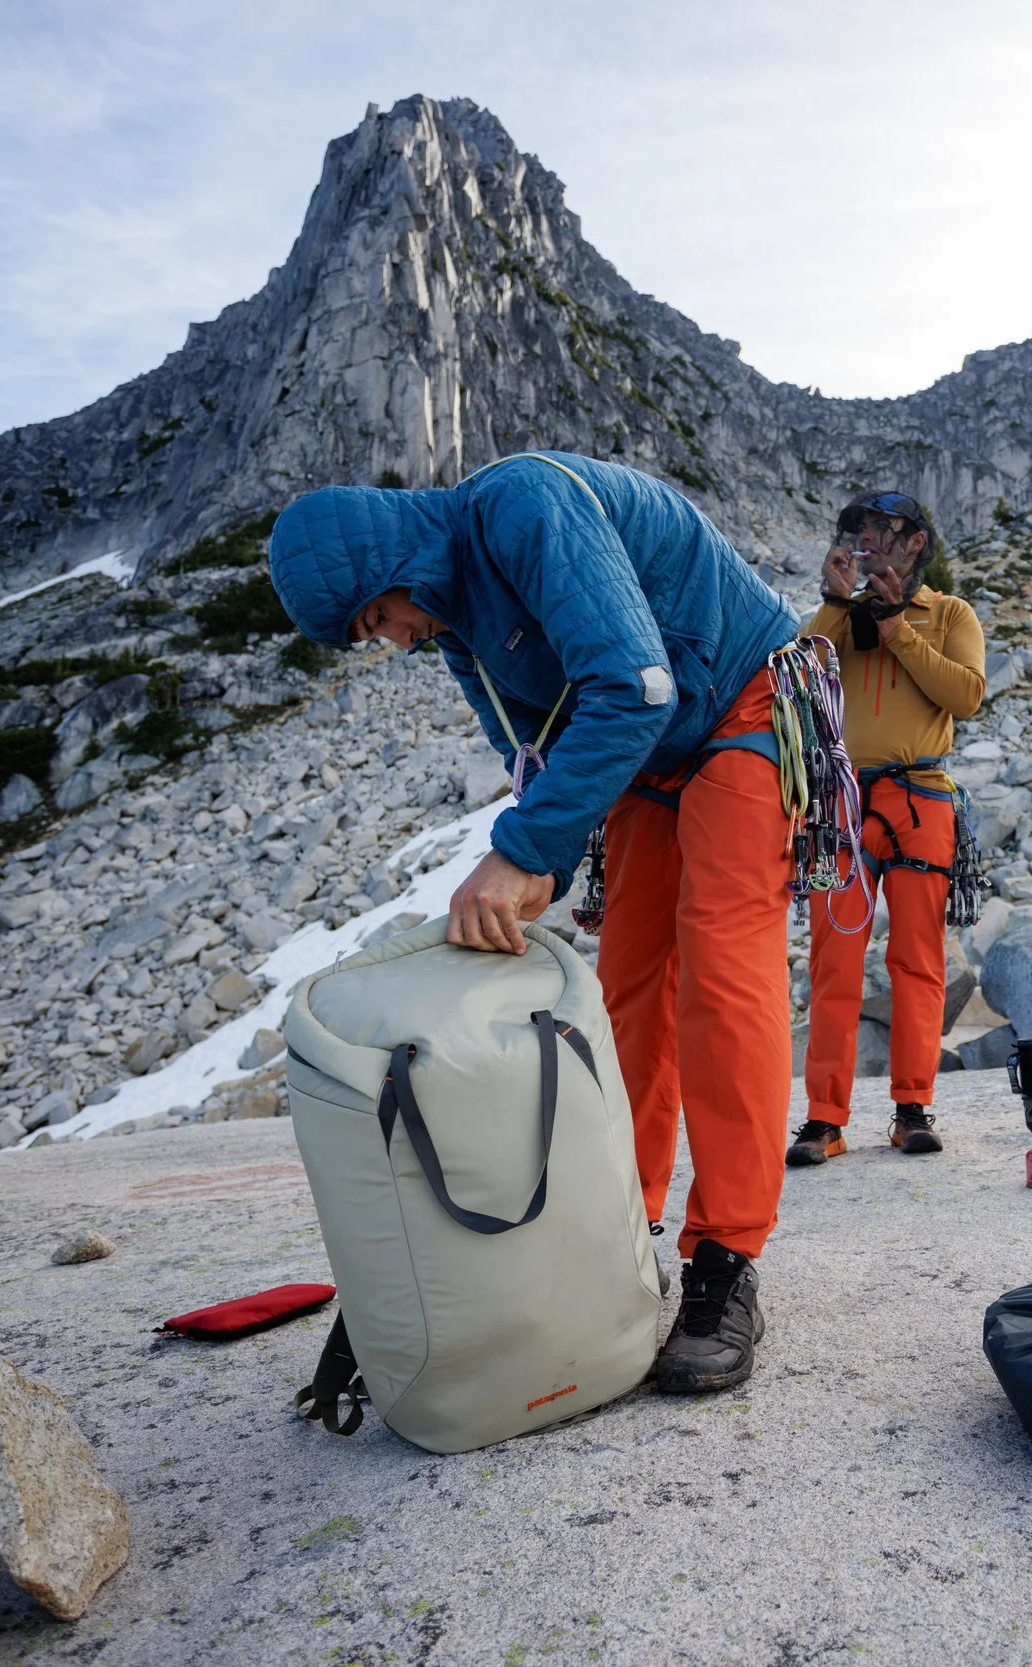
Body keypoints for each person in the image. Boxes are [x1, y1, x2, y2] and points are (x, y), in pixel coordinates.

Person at [265, 453, 798, 1394]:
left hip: (744, 698)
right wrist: (534, 861)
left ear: (393, 563)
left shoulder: (524, 506)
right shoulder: (456, 628)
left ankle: (725, 1263)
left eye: (377, 618)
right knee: (625, 987)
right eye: (371, 634)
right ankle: (614, 1234)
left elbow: (633, 685)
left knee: (722, 970)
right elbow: (536, 753)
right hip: (651, 757)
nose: (391, 639)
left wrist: (525, 850)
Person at [787, 491, 985, 1167]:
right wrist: (836, 601)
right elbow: (801, 676)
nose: (871, 541)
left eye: (884, 531)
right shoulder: (838, 620)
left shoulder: (950, 614)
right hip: (843, 805)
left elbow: (966, 695)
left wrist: (898, 625)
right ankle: (824, 1119)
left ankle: (912, 1109)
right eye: (863, 530)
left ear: (915, 544)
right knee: (833, 963)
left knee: (917, 961)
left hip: (918, 798)